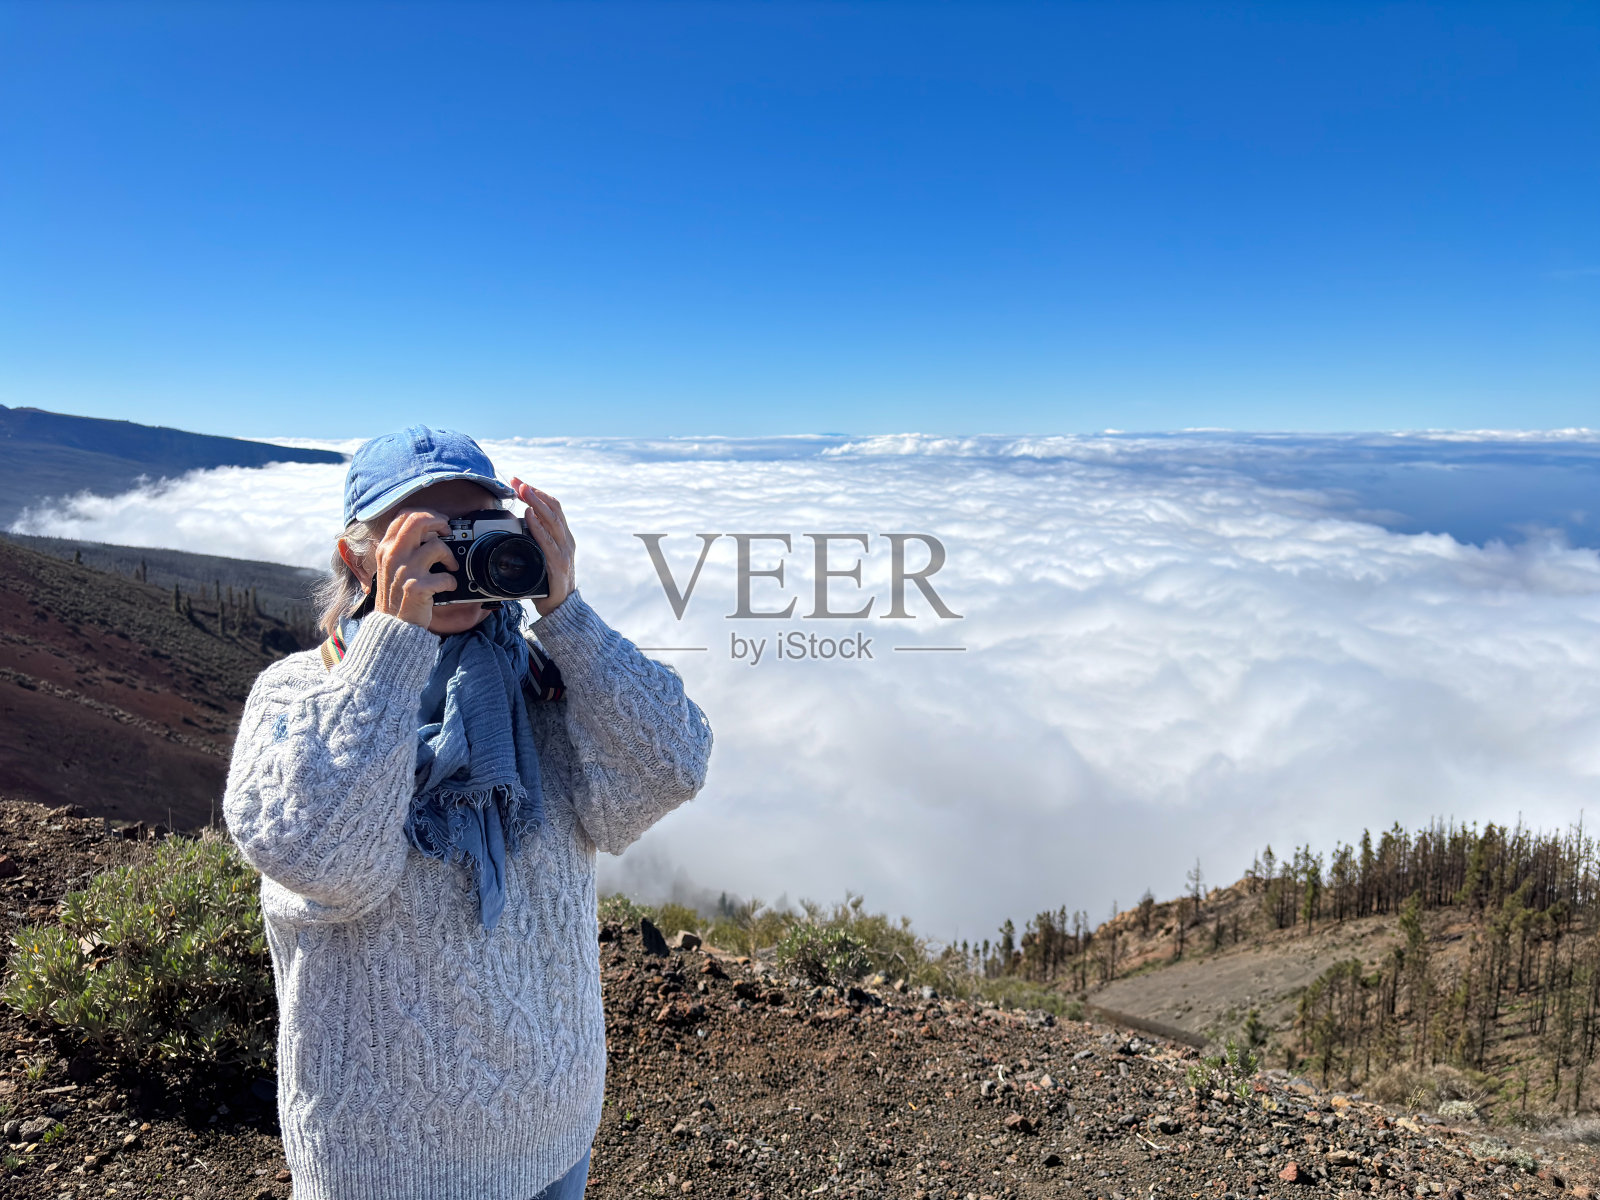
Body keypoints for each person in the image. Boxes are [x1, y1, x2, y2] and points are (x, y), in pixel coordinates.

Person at [223, 426, 713, 1200]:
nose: (450, 561)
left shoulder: (543, 684)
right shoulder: (295, 696)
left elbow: (675, 763)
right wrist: (393, 647)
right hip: (384, 1164)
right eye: (422, 539)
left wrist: (567, 612)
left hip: (555, 1133)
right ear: (357, 559)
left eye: (473, 533)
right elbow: (327, 861)